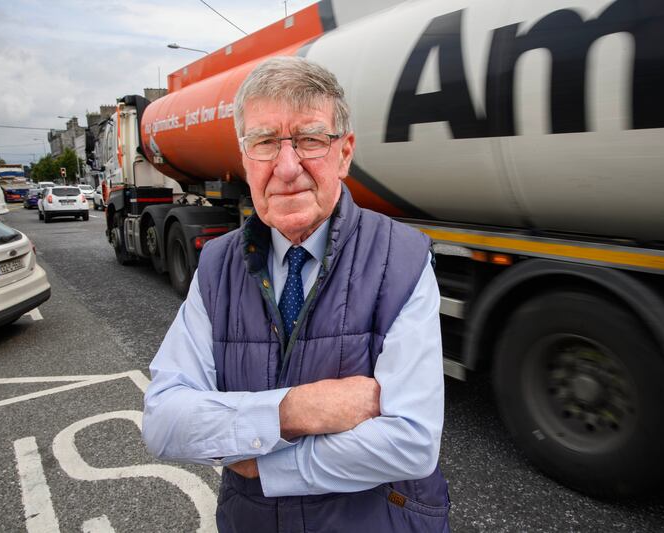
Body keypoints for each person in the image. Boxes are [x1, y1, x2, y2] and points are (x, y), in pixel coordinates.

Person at [142, 56, 450, 533]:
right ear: (244, 158)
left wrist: (263, 463)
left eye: (310, 139)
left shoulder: (402, 258)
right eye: (264, 142)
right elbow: (164, 420)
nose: (287, 168)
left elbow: (411, 442)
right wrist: (294, 411)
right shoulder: (216, 266)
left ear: (344, 153)